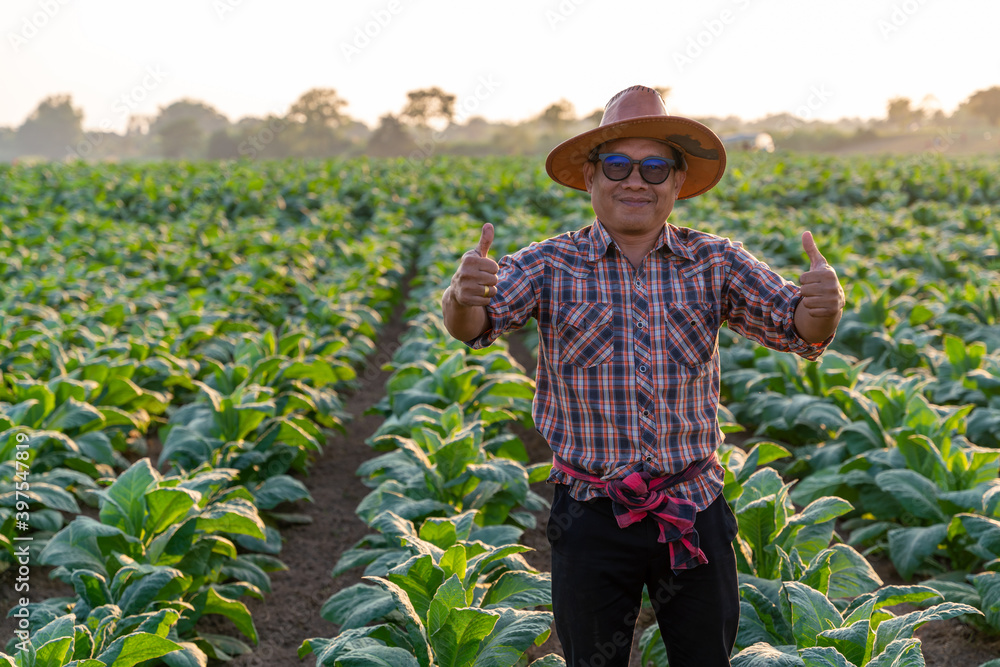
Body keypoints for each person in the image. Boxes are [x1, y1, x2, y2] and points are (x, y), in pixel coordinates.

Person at [440, 85, 845, 667]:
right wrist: (461, 294)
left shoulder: (715, 261)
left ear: (677, 183)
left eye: (655, 167)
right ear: (590, 177)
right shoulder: (548, 264)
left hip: (692, 507)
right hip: (589, 510)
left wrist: (824, 302)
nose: (637, 181)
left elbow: (799, 326)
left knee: (704, 657)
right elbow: (473, 323)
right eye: (618, 165)